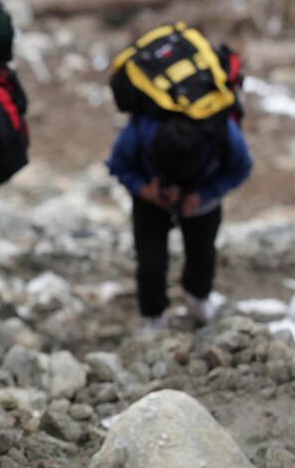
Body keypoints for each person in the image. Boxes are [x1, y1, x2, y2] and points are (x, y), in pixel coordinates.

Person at [107, 113, 252, 333]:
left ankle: (198, 297)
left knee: (202, 254)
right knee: (150, 262)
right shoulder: (141, 130)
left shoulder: (224, 134)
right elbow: (118, 164)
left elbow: (241, 168)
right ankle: (153, 315)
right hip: (150, 201)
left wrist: (203, 194)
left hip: (203, 200)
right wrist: (143, 189)